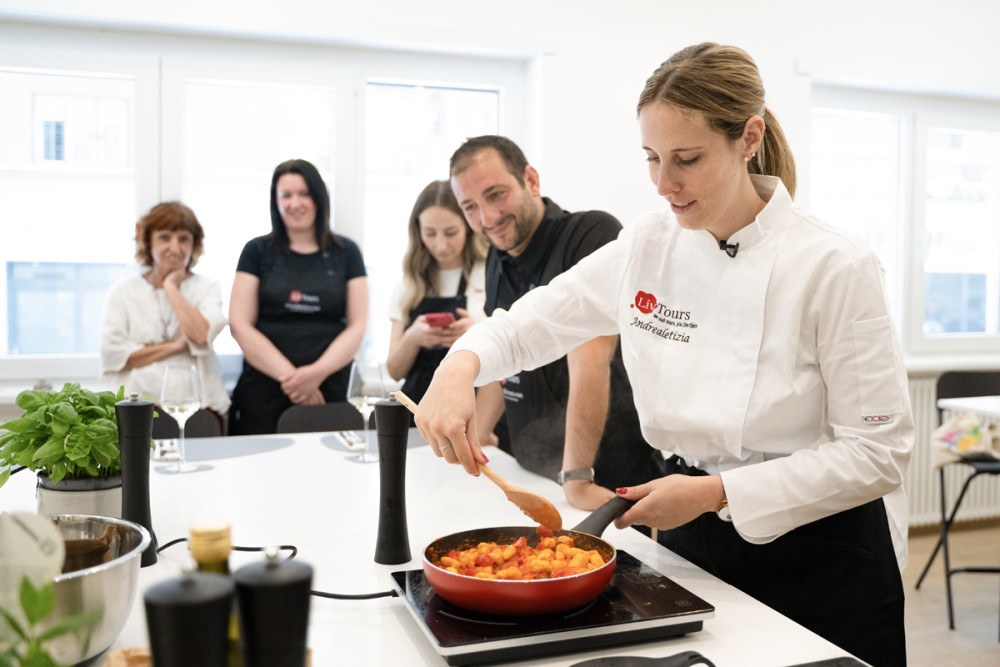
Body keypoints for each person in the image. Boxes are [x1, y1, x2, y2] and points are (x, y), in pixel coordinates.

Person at [415, 44, 912, 667]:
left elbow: (878, 453)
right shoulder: (649, 245)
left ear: (748, 137)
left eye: (687, 159)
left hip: (820, 555)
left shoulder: (835, 266)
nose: (662, 183)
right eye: (652, 158)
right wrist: (458, 368)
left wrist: (717, 493)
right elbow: (528, 325)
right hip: (689, 541)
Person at [447, 135, 667, 511]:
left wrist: (577, 477)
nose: (487, 219)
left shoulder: (589, 233)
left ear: (531, 180)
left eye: (496, 194)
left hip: (601, 478)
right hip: (531, 473)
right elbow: (506, 356)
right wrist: (480, 436)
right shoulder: (497, 258)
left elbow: (590, 358)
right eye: (470, 207)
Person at [228, 159, 368, 435]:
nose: (295, 203)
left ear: (319, 197)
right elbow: (239, 325)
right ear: (275, 201)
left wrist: (315, 374)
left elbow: (358, 324)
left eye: (304, 193)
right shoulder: (256, 251)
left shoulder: (347, 252)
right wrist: (293, 380)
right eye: (286, 195)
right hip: (265, 390)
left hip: (329, 388)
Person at [101, 201, 231, 418]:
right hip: (135, 409)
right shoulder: (122, 291)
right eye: (164, 237)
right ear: (147, 241)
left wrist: (171, 287)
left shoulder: (207, 287)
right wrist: (177, 346)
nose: (175, 248)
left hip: (197, 409)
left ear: (194, 244)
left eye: (183, 239)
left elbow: (199, 335)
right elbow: (115, 355)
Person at [386, 180, 487, 413]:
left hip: (472, 408)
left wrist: (475, 335)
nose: (441, 246)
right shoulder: (409, 283)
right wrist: (413, 338)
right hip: (416, 409)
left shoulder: (489, 274)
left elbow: (510, 360)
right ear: (417, 230)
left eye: (451, 233)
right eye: (430, 234)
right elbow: (394, 371)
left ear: (468, 226)